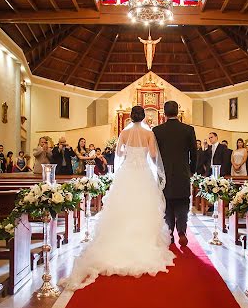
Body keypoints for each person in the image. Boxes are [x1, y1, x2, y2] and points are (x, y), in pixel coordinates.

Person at [60, 105, 174, 290]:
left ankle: (117, 239)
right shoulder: (148, 133)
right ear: (144, 117)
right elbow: (153, 154)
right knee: (143, 207)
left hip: (127, 173)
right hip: (143, 173)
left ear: (131, 117)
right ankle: (143, 239)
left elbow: (119, 153)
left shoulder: (124, 132)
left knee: (123, 206)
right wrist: (145, 155)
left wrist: (129, 152)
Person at [153, 101, 197, 247]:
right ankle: (182, 231)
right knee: (183, 202)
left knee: (167, 204)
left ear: (163, 113)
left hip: (164, 174)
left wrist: (156, 171)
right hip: (183, 173)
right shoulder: (188, 129)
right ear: (177, 112)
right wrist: (192, 170)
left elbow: (154, 155)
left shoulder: (157, 130)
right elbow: (194, 153)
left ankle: (170, 232)